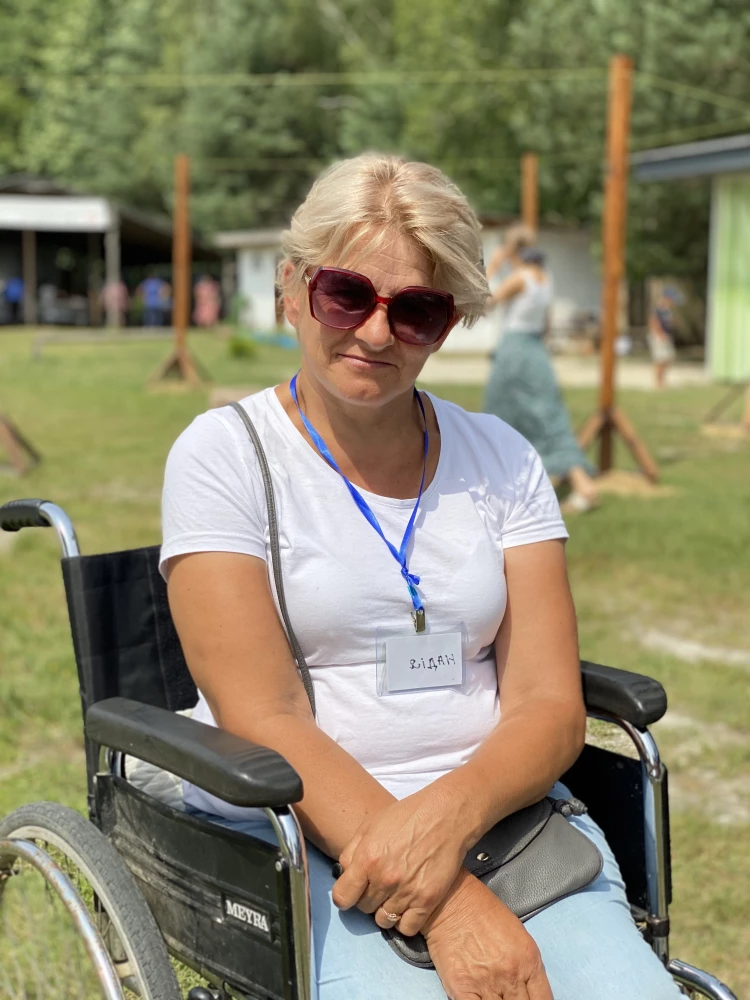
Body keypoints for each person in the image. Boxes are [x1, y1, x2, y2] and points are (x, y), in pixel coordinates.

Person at [160, 154, 681, 1000]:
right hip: (299, 835)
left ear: (451, 321)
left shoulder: (503, 458)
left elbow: (546, 703)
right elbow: (264, 715)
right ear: (291, 288)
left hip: (505, 825)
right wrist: (448, 904)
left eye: (417, 310)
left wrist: (448, 822)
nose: (376, 333)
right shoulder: (224, 457)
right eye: (345, 295)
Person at [484, 226, 599, 513]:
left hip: (514, 351)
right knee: (547, 415)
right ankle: (561, 482)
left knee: (501, 414)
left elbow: (486, 303)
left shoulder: (519, 278)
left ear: (512, 250)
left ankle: (578, 485)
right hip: (536, 350)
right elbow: (545, 325)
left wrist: (493, 267)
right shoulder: (545, 278)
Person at [648, 286, 680, 390]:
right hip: (659, 336)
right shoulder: (659, 309)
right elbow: (653, 322)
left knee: (668, 358)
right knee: (660, 359)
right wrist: (659, 334)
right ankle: (658, 383)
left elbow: (668, 323)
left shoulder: (667, 310)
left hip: (666, 335)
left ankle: (662, 380)